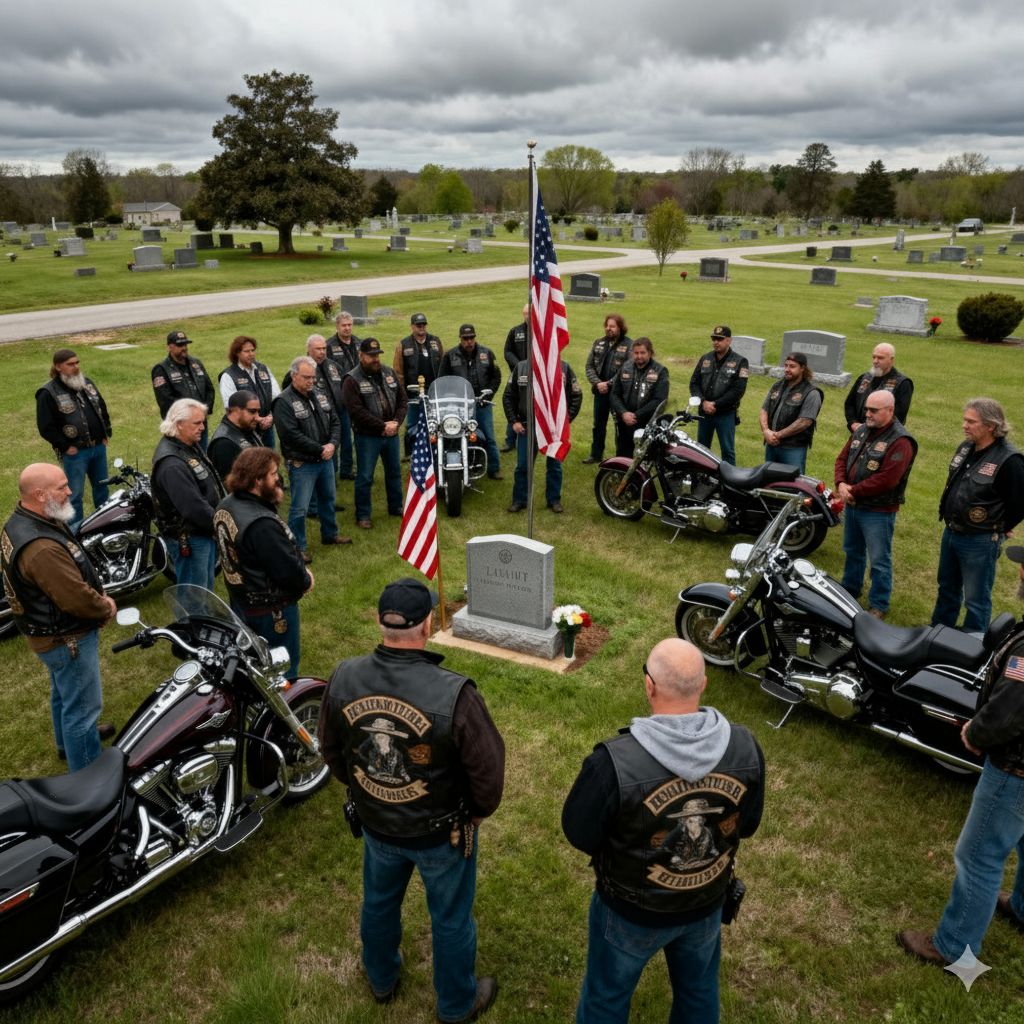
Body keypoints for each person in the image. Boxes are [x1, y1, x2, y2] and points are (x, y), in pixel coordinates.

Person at [319, 578, 505, 1022]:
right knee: (452, 918)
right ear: (427, 626)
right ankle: (457, 1004)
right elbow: (488, 774)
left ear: (380, 623)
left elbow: (331, 752)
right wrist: (476, 815)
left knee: (378, 902)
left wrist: (368, 789)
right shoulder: (456, 694)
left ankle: (381, 978)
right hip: (441, 833)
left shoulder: (344, 676)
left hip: (379, 823)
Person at [562, 638, 765, 1023]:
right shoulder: (745, 748)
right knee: (699, 991)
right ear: (703, 685)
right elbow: (747, 824)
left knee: (606, 997)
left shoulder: (613, 762)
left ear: (649, 686)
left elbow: (579, 832)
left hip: (629, 911)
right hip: (705, 902)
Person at [898, 545, 1024, 968]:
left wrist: (976, 731)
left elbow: (1012, 709)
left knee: (979, 855)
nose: (1020, 572)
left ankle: (955, 946)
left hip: (1015, 768)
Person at [1, 463, 117, 772]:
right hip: (67, 638)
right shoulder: (40, 548)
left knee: (64, 693)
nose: (70, 491)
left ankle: (68, 745)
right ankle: (89, 776)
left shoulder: (23, 520)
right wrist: (105, 607)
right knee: (82, 710)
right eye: (62, 487)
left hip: (46, 635)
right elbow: (75, 598)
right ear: (40, 494)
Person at [213, 448, 312, 676]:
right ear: (258, 480)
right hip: (271, 610)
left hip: (241, 600)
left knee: (253, 666)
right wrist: (305, 579)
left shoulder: (225, 504)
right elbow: (286, 571)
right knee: (283, 669)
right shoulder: (261, 524)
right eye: (273, 474)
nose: (278, 478)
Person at [931, 398, 1024, 632]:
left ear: (990, 426)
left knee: (976, 599)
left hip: (980, 540)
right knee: (947, 588)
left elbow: (1020, 503)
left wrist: (1001, 526)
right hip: (951, 532)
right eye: (965, 420)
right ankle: (938, 634)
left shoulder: (1010, 460)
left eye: (971, 422)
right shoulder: (966, 447)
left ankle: (973, 646)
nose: (964, 425)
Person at [834, 390, 917, 619]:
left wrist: (853, 491)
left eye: (873, 410)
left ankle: (879, 604)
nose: (867, 414)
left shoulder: (901, 441)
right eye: (866, 409)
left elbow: (888, 479)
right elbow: (842, 458)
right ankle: (850, 590)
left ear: (890, 411)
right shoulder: (862, 430)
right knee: (852, 551)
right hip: (853, 504)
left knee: (879, 559)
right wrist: (841, 483)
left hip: (878, 511)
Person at [272, 356, 351, 561]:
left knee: (328, 499)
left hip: (324, 459)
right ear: (293, 375)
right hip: (302, 463)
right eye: (306, 377)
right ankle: (298, 546)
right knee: (300, 507)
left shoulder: (320, 395)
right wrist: (320, 449)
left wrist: (332, 444)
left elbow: (335, 421)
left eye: (313, 377)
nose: (311, 382)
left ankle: (330, 534)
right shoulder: (283, 402)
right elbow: (290, 435)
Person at [151, 398, 224, 591]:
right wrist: (220, 525)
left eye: (203, 422)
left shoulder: (187, 444)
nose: (202, 427)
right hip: (191, 537)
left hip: (202, 532)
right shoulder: (171, 464)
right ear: (179, 424)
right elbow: (193, 508)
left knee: (205, 589)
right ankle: (193, 622)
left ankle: (203, 620)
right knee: (194, 594)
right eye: (197, 423)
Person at [36, 348, 112, 531]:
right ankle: (76, 533)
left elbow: (101, 407)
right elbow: (45, 427)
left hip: (98, 448)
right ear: (58, 367)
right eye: (70, 364)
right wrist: (65, 446)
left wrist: (105, 433)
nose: (76, 367)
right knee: (74, 495)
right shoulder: (48, 393)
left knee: (102, 489)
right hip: (76, 453)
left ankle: (106, 526)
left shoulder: (87, 384)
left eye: (77, 363)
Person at [342, 338, 407, 529]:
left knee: (394, 472)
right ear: (361, 356)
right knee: (365, 477)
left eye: (377, 355)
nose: (375, 359)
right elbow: (356, 411)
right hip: (367, 437)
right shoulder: (351, 379)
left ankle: (395, 506)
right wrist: (382, 426)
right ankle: (363, 515)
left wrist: (396, 422)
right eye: (371, 356)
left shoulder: (389, 372)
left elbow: (403, 400)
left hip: (391, 434)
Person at [504, 357, 583, 513]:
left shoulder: (564, 367)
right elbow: (508, 396)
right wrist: (514, 421)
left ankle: (554, 500)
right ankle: (519, 500)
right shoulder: (520, 367)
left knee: (554, 466)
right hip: (527, 427)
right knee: (523, 466)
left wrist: (565, 421)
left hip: (553, 429)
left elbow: (576, 395)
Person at [438, 324, 503, 480]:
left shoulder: (487, 353)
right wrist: (452, 398)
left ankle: (494, 468)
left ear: (475, 337)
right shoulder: (450, 355)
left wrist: (488, 395)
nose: (469, 341)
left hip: (482, 404)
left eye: (471, 337)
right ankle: (460, 464)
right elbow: (442, 379)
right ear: (460, 338)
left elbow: (497, 376)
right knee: (458, 435)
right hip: (460, 406)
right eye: (465, 338)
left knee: (488, 436)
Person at [689, 325, 749, 466]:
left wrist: (716, 404)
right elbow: (694, 383)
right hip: (705, 412)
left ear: (729, 340)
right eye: (714, 339)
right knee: (701, 449)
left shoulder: (740, 362)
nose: (716, 342)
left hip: (725, 414)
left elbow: (738, 390)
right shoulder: (705, 358)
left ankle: (730, 483)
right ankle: (701, 477)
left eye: (720, 339)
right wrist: (703, 402)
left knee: (727, 451)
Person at [758, 352, 823, 473]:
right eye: (786, 365)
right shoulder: (777, 385)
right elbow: (764, 410)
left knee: (794, 483)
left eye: (792, 366)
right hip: (771, 445)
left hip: (793, 448)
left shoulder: (811, 393)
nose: (787, 369)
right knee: (769, 481)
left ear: (802, 368)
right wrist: (766, 431)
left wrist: (778, 435)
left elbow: (804, 421)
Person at [152, 329, 216, 448]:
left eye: (185, 344)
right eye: (180, 345)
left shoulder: (196, 363)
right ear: (170, 347)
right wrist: (188, 417)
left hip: (200, 423)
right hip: (180, 428)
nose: (184, 348)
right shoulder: (161, 369)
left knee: (202, 458)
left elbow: (209, 389)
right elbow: (165, 401)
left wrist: (204, 411)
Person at [583, 313, 633, 464]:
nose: (608, 329)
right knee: (598, 425)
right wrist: (598, 383)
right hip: (600, 392)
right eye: (607, 326)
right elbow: (589, 366)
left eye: (612, 326)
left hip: (618, 395)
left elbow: (626, 370)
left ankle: (621, 459)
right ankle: (595, 454)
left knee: (620, 427)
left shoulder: (630, 345)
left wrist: (609, 384)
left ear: (620, 328)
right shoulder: (599, 343)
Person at [609, 337, 670, 458]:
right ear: (632, 353)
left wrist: (636, 415)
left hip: (646, 423)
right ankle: (622, 476)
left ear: (650, 353)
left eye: (642, 353)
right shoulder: (625, 367)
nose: (639, 356)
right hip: (624, 421)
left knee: (643, 457)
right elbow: (614, 394)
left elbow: (659, 400)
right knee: (622, 454)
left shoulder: (660, 371)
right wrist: (623, 413)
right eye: (636, 353)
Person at [393, 312, 444, 458]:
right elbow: (398, 371)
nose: (421, 328)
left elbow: (443, 363)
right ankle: (410, 454)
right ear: (412, 326)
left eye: (423, 325)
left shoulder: (436, 341)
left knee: (434, 422)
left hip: (434, 391)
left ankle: (433, 449)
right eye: (418, 325)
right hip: (412, 392)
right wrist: (402, 393)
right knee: (412, 424)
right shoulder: (403, 344)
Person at [218, 335, 279, 448]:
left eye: (253, 350)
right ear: (237, 353)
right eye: (247, 351)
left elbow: (276, 396)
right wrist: (258, 419)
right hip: (245, 431)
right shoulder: (228, 375)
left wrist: (271, 417)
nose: (251, 354)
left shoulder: (263, 369)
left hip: (267, 427)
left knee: (270, 460)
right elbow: (230, 406)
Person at [844, 343, 913, 432]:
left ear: (891, 360)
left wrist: (868, 428)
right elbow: (850, 403)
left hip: (885, 435)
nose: (875, 361)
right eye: (874, 357)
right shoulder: (864, 378)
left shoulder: (902, 383)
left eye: (880, 358)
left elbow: (898, 416)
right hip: (858, 433)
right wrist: (853, 423)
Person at [326, 311, 361, 479]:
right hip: (339, 399)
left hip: (359, 397)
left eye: (349, 325)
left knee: (359, 434)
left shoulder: (360, 343)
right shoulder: (329, 346)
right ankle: (340, 470)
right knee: (344, 437)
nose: (347, 328)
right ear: (337, 326)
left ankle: (349, 469)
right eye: (344, 325)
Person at [208, 390, 265, 480]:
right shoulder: (223, 443)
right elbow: (233, 484)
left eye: (258, 412)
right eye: (252, 411)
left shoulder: (246, 427)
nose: (258, 418)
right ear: (235, 411)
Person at [501, 303, 530, 451]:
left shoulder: (541, 332)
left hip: (535, 377)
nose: (528, 316)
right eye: (525, 313)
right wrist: (519, 366)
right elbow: (507, 352)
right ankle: (510, 440)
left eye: (530, 313)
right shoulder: (515, 331)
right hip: (518, 376)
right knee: (512, 403)